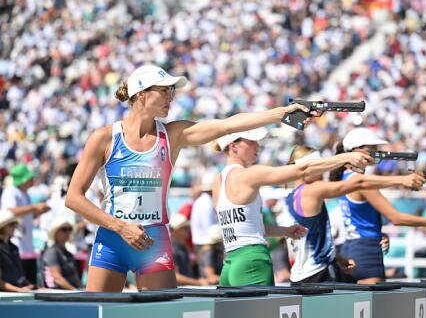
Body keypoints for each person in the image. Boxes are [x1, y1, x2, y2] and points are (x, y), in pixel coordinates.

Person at [65, 64, 313, 292]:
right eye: (164, 91)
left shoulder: (173, 134)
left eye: (172, 91)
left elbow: (227, 126)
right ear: (141, 94)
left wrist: (282, 113)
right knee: (99, 312)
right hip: (113, 238)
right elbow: (74, 198)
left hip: (154, 239)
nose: (171, 97)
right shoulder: (105, 137)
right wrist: (121, 227)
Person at [211, 128, 374, 286]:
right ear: (233, 146)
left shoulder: (218, 181)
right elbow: (302, 170)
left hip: (231, 262)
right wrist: (345, 158)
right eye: (252, 141)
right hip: (252, 260)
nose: (257, 146)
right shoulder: (248, 174)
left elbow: (245, 227)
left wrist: (285, 231)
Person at [331, 128, 426, 284]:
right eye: (371, 149)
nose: (376, 152)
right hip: (366, 253)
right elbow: (396, 218)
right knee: (374, 307)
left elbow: (359, 219)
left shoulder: (344, 178)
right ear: (355, 151)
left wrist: (377, 233)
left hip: (351, 249)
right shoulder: (361, 181)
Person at [285, 145, 426, 285]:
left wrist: (336, 257)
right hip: (318, 275)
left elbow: (311, 240)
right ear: (307, 168)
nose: (323, 172)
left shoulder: (291, 196)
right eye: (319, 166)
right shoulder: (311, 190)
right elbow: (359, 182)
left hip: (300, 276)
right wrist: (401, 180)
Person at [0, 164, 50, 284]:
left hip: (28, 247)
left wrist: (39, 212)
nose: (32, 180)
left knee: (30, 283)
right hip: (17, 247)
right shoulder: (10, 192)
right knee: (20, 284)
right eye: (29, 178)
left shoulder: (25, 194)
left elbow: (26, 215)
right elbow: (10, 211)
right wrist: (34, 207)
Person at [0, 210, 36, 292]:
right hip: (3, 296)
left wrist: (35, 288)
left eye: (15, 224)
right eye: (11, 224)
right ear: (2, 227)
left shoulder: (14, 247)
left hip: (18, 292)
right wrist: (20, 290)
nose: (15, 226)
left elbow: (20, 277)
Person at [42, 216, 82, 289]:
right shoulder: (52, 252)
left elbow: (75, 277)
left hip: (69, 292)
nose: (68, 232)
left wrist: (81, 290)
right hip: (57, 294)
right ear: (56, 232)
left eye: (69, 229)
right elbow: (57, 278)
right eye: (64, 229)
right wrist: (75, 290)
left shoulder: (69, 254)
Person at [169, 213, 207, 286]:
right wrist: (198, 282)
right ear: (174, 230)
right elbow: (174, 276)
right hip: (179, 293)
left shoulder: (181, 246)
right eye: (184, 228)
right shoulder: (172, 249)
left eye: (188, 227)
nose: (188, 230)